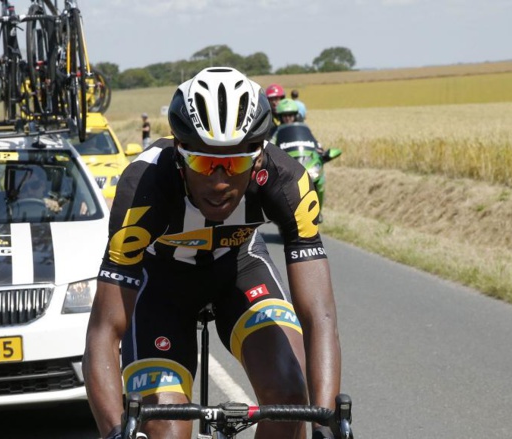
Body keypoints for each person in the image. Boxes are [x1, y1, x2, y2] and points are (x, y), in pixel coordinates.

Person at [83, 67, 342, 439]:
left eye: (235, 163)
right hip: (161, 286)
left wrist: (326, 425)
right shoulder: (144, 187)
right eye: (203, 163)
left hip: (239, 270)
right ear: (178, 152)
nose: (220, 181)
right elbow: (104, 329)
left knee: (288, 396)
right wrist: (114, 432)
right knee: (164, 426)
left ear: (257, 156)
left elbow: (319, 314)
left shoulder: (287, 181)